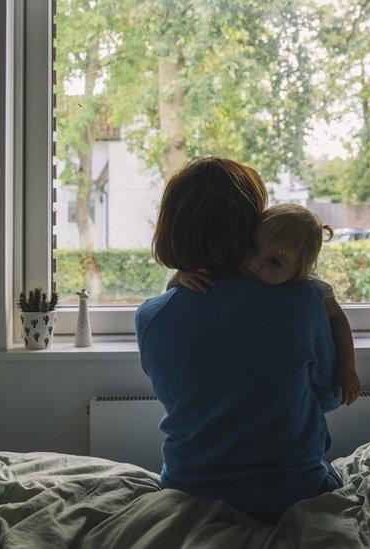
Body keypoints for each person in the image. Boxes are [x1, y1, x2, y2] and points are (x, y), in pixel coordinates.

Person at [136, 157, 343, 525]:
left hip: (189, 492)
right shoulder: (303, 301)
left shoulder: (151, 317)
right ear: (251, 226)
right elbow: (330, 395)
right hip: (291, 493)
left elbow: (189, 401)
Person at [170, 203, 362, 406]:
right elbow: (171, 293)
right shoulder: (228, 270)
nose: (255, 262)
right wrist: (182, 276)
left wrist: (347, 368)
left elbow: (338, 320)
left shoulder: (313, 290)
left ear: (298, 271)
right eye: (252, 246)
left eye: (274, 261)